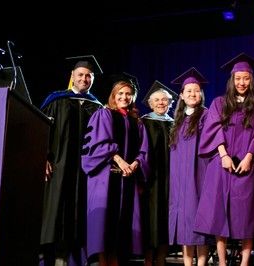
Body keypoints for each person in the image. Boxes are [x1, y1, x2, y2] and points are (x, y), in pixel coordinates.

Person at [194, 53, 254, 266]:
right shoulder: (219, 103)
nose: (241, 82)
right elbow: (213, 129)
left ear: (251, 80)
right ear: (232, 80)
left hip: (247, 166)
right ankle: (222, 262)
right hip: (221, 165)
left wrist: (249, 158)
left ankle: (244, 262)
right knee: (219, 214)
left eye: (245, 78)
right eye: (238, 78)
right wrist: (224, 155)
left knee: (247, 215)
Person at [39, 55, 103, 265]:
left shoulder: (98, 107)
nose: (84, 79)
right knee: (55, 211)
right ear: (72, 77)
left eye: (88, 76)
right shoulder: (56, 101)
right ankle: (49, 257)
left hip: (87, 172)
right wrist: (42, 157)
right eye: (81, 75)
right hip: (59, 167)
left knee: (81, 214)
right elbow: (41, 131)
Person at [81, 73, 149, 265]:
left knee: (122, 231)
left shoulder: (137, 122)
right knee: (104, 228)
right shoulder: (103, 114)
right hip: (106, 179)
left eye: (128, 94)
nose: (124, 97)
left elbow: (144, 150)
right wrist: (120, 160)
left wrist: (136, 163)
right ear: (113, 95)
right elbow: (97, 144)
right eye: (120, 93)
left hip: (128, 180)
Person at [168, 67, 210, 266]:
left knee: (198, 221)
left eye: (196, 91)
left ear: (200, 94)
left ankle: (201, 263)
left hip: (199, 176)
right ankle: (187, 263)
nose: (193, 94)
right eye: (189, 91)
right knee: (184, 222)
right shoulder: (177, 121)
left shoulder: (207, 116)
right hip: (179, 180)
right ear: (182, 96)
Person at [140, 80, 178, 266]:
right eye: (157, 100)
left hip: (171, 179)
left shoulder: (175, 124)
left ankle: (162, 259)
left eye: (165, 100)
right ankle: (148, 260)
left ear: (171, 103)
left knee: (166, 219)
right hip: (150, 180)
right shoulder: (143, 123)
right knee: (150, 219)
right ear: (150, 103)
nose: (161, 103)